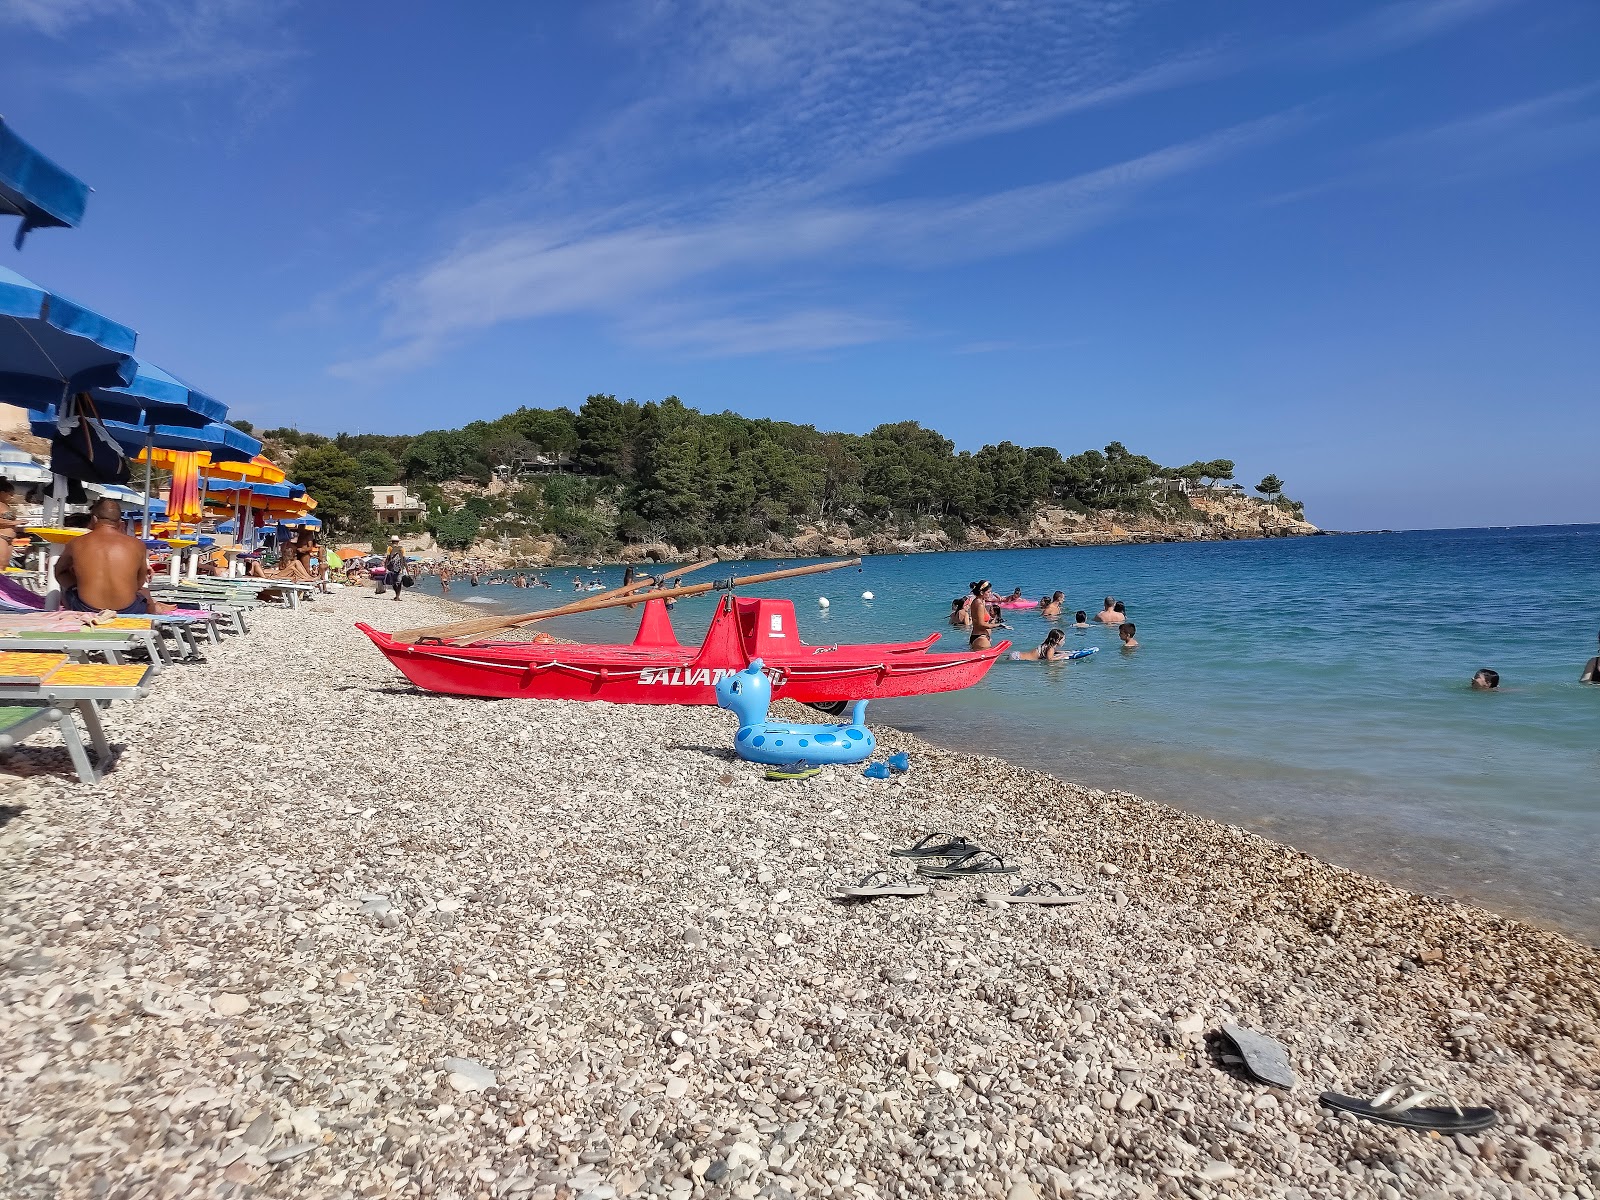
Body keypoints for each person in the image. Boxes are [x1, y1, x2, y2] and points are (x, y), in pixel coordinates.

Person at [54, 498, 166, 614]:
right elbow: (140, 582)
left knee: (68, 591)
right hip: (128, 610)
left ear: (94, 519)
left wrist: (76, 584)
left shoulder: (76, 543)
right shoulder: (137, 544)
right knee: (145, 594)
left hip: (86, 609)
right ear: (119, 522)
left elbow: (59, 572)